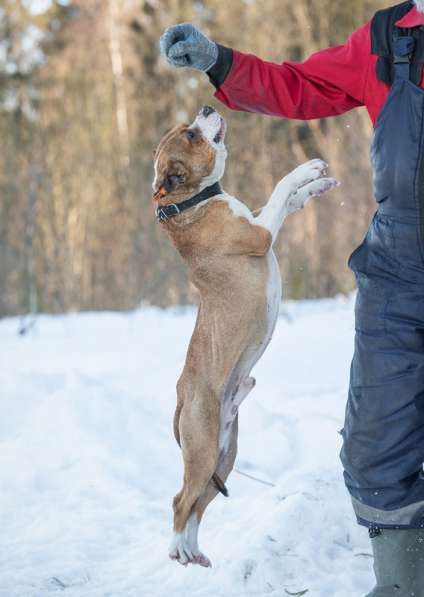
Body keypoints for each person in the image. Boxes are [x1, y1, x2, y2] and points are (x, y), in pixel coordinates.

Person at [160, 1, 424, 595]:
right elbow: (300, 86)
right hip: (400, 271)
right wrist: (219, 63)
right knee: (377, 446)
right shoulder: (387, 38)